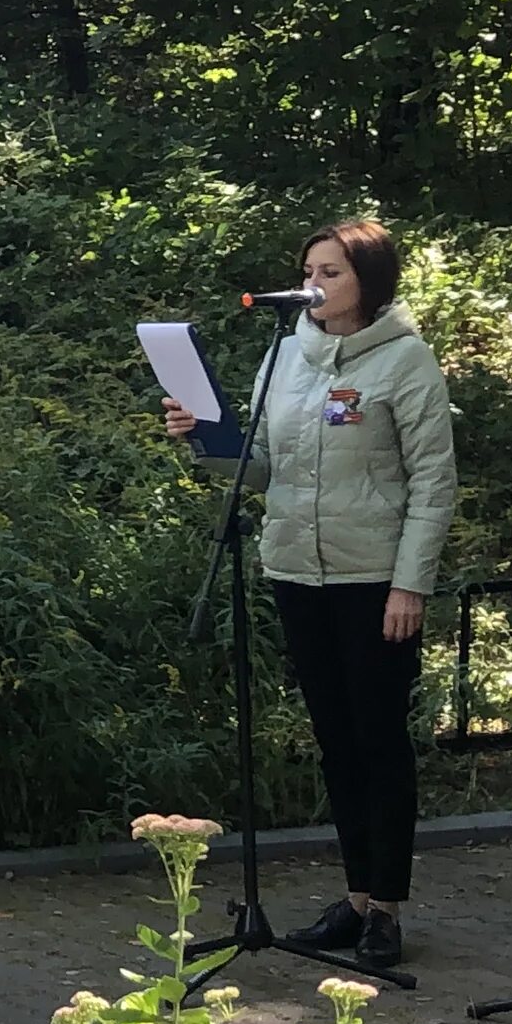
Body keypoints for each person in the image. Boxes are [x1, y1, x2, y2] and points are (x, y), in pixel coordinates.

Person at [162, 218, 457, 972]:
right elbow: (261, 469)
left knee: (380, 740)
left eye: (332, 272)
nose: (315, 284)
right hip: (297, 571)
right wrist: (206, 439)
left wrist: (409, 582)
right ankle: (354, 897)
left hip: (374, 580)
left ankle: (387, 906)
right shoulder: (284, 354)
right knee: (336, 741)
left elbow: (433, 482)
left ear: (370, 282)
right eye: (309, 270)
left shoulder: (406, 360)